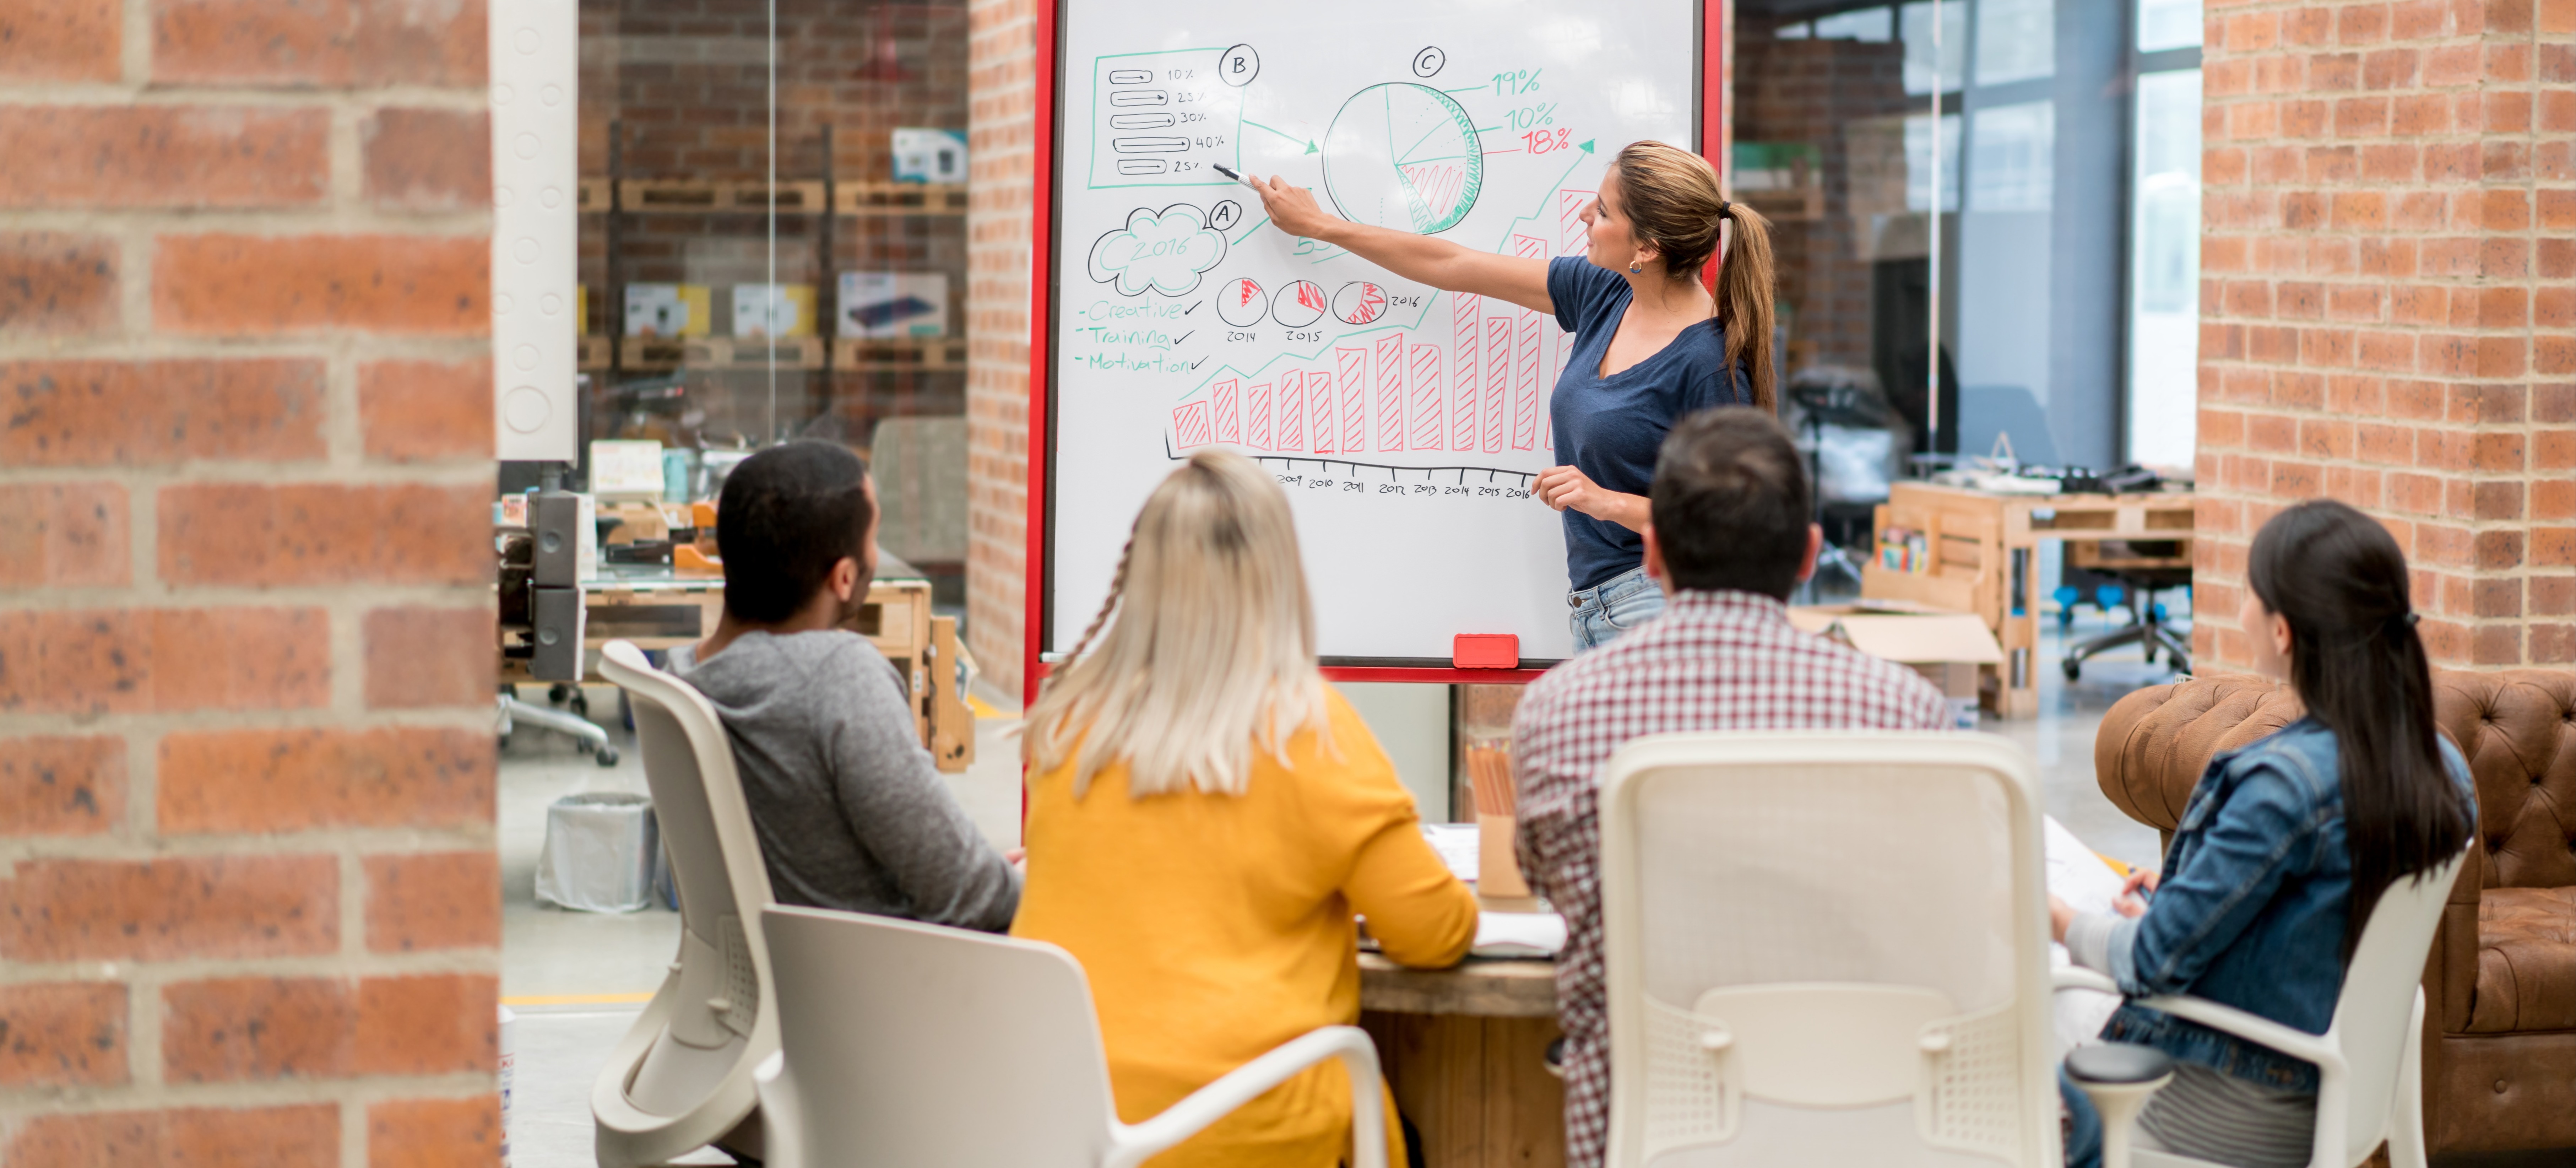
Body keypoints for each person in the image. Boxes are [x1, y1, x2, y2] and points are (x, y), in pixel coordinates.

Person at [1509, 407, 1952, 1167]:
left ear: (1652, 555)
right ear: (1810, 554)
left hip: (1650, 1134)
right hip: (1858, 1130)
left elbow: (1543, 879)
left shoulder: (1558, 710)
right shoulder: (1908, 715)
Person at [1013, 450, 1479, 1168]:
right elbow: (1435, 933)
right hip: (1250, 1129)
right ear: (1278, 576)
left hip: (1070, 1121)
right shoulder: (1308, 728)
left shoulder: (1069, 726)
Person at [2054, 499, 2476, 1168]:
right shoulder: (2441, 765)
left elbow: (2149, 964)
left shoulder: (2280, 784)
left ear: (2281, 632)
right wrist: (2194, 896)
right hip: (2333, 1085)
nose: (2239, 606)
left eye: (2248, 591)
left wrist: (2055, 918)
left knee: (2024, 1024)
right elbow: (2322, 916)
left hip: (2223, 1101)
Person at [1251, 141, 1777, 651]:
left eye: (1602, 211)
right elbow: (1451, 265)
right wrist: (1319, 227)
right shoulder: (1607, 293)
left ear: (1646, 248)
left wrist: (1606, 503)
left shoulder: (1708, 364)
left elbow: (1733, 525)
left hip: (1662, 614)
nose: (1581, 215)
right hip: (1599, 608)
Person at [667, 440, 1018, 930]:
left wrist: (975, 873)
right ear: (845, 577)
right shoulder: (836, 677)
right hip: (895, 976)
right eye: (874, 538)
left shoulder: (685, 674)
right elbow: (974, 900)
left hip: (802, 971)